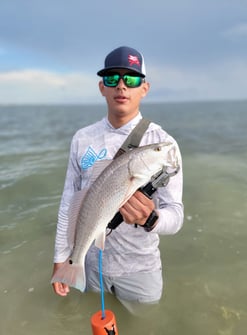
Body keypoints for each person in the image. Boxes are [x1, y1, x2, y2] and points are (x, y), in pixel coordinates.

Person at [51, 46, 184, 314]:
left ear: (144, 88)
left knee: (145, 327)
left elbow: (176, 216)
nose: (121, 86)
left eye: (132, 79)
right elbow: (69, 202)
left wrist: (151, 219)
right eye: (113, 78)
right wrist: (61, 257)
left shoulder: (164, 144)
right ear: (102, 87)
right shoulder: (82, 139)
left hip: (139, 268)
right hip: (89, 265)